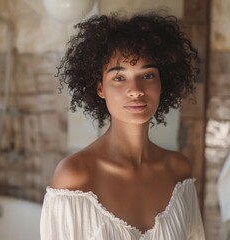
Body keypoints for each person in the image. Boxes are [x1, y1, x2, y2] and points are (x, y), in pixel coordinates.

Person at [40, 10, 205, 240]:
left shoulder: (178, 171)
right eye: (119, 77)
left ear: (161, 83)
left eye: (147, 75)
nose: (136, 90)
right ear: (100, 88)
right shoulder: (75, 176)